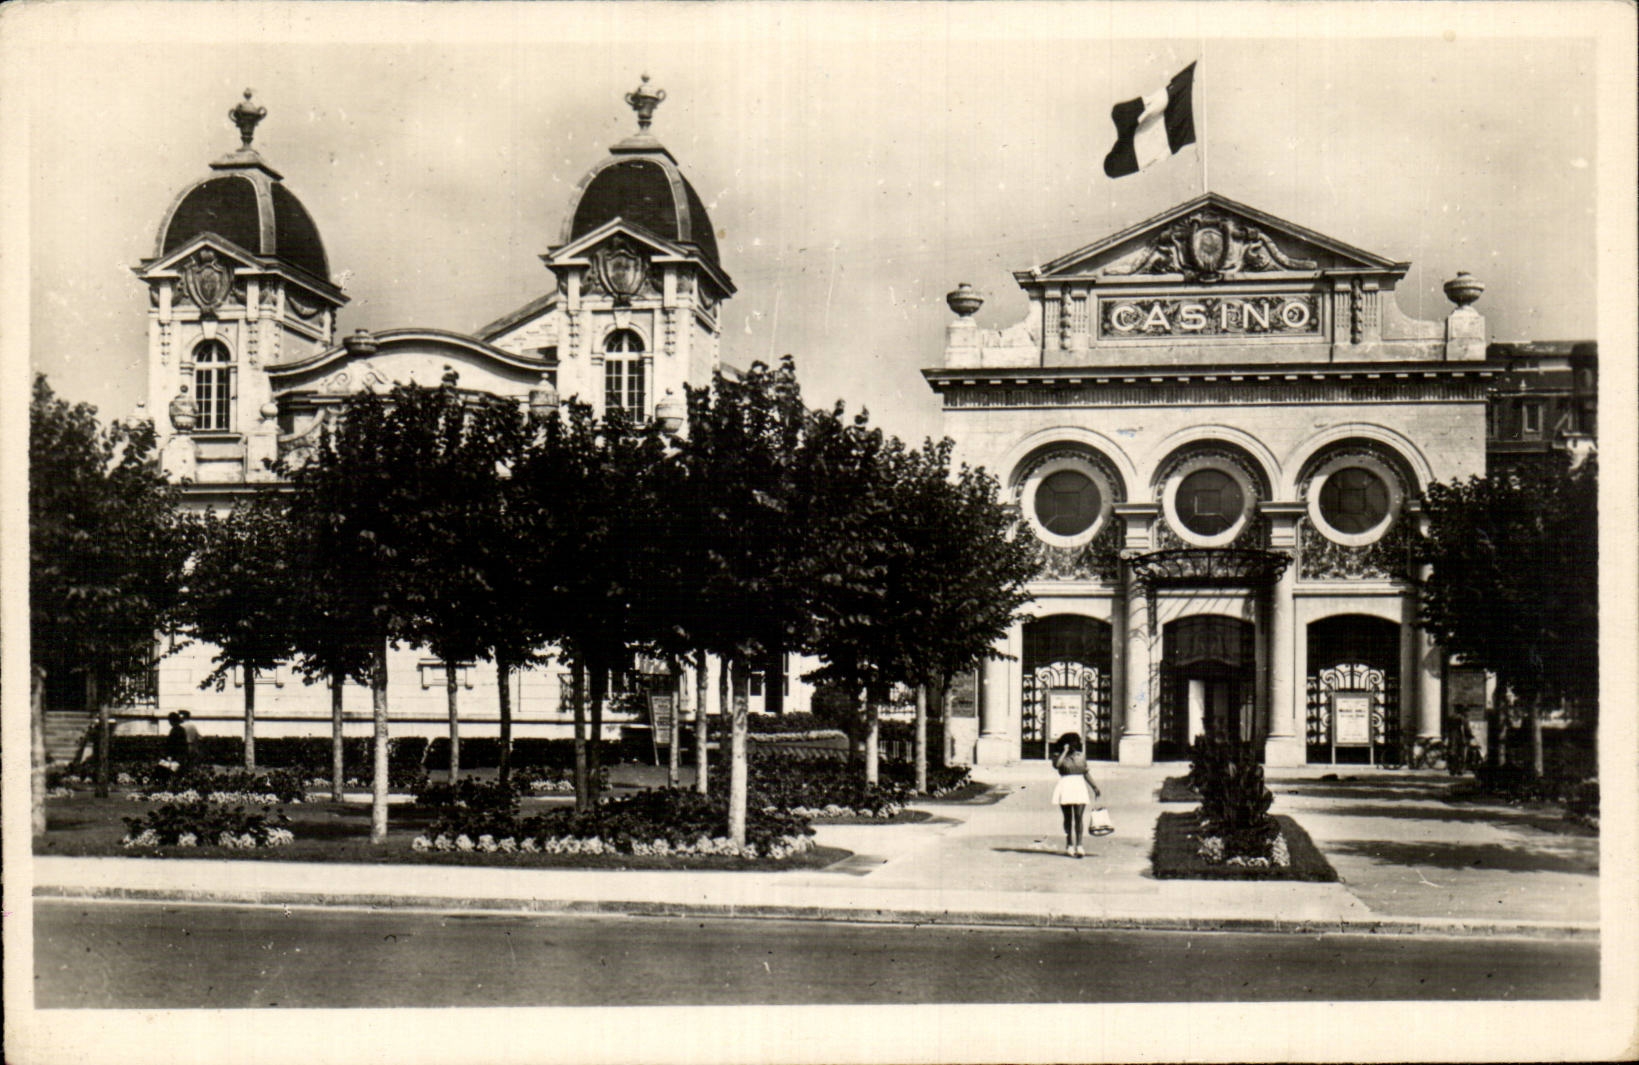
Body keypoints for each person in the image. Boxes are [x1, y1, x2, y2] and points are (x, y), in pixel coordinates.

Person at [1051, 732, 1101, 858]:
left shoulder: (1080, 756)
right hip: (1065, 785)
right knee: (1068, 818)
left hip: (1079, 786)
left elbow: (1085, 773)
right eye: (1070, 743)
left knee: (1079, 817)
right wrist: (1064, 751)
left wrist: (1094, 786)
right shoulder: (1058, 755)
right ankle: (1069, 843)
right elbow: (1057, 766)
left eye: (1074, 743)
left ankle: (1079, 845)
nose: (1073, 746)